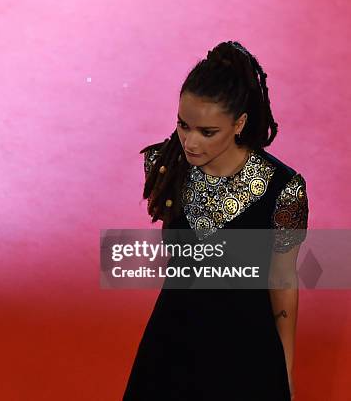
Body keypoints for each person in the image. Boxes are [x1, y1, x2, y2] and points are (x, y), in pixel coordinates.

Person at [123, 41, 309, 400]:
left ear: (239, 123)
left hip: (246, 351)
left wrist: (285, 364)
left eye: (207, 132)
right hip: (170, 345)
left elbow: (283, 279)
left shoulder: (284, 190)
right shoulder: (165, 167)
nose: (190, 142)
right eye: (183, 125)